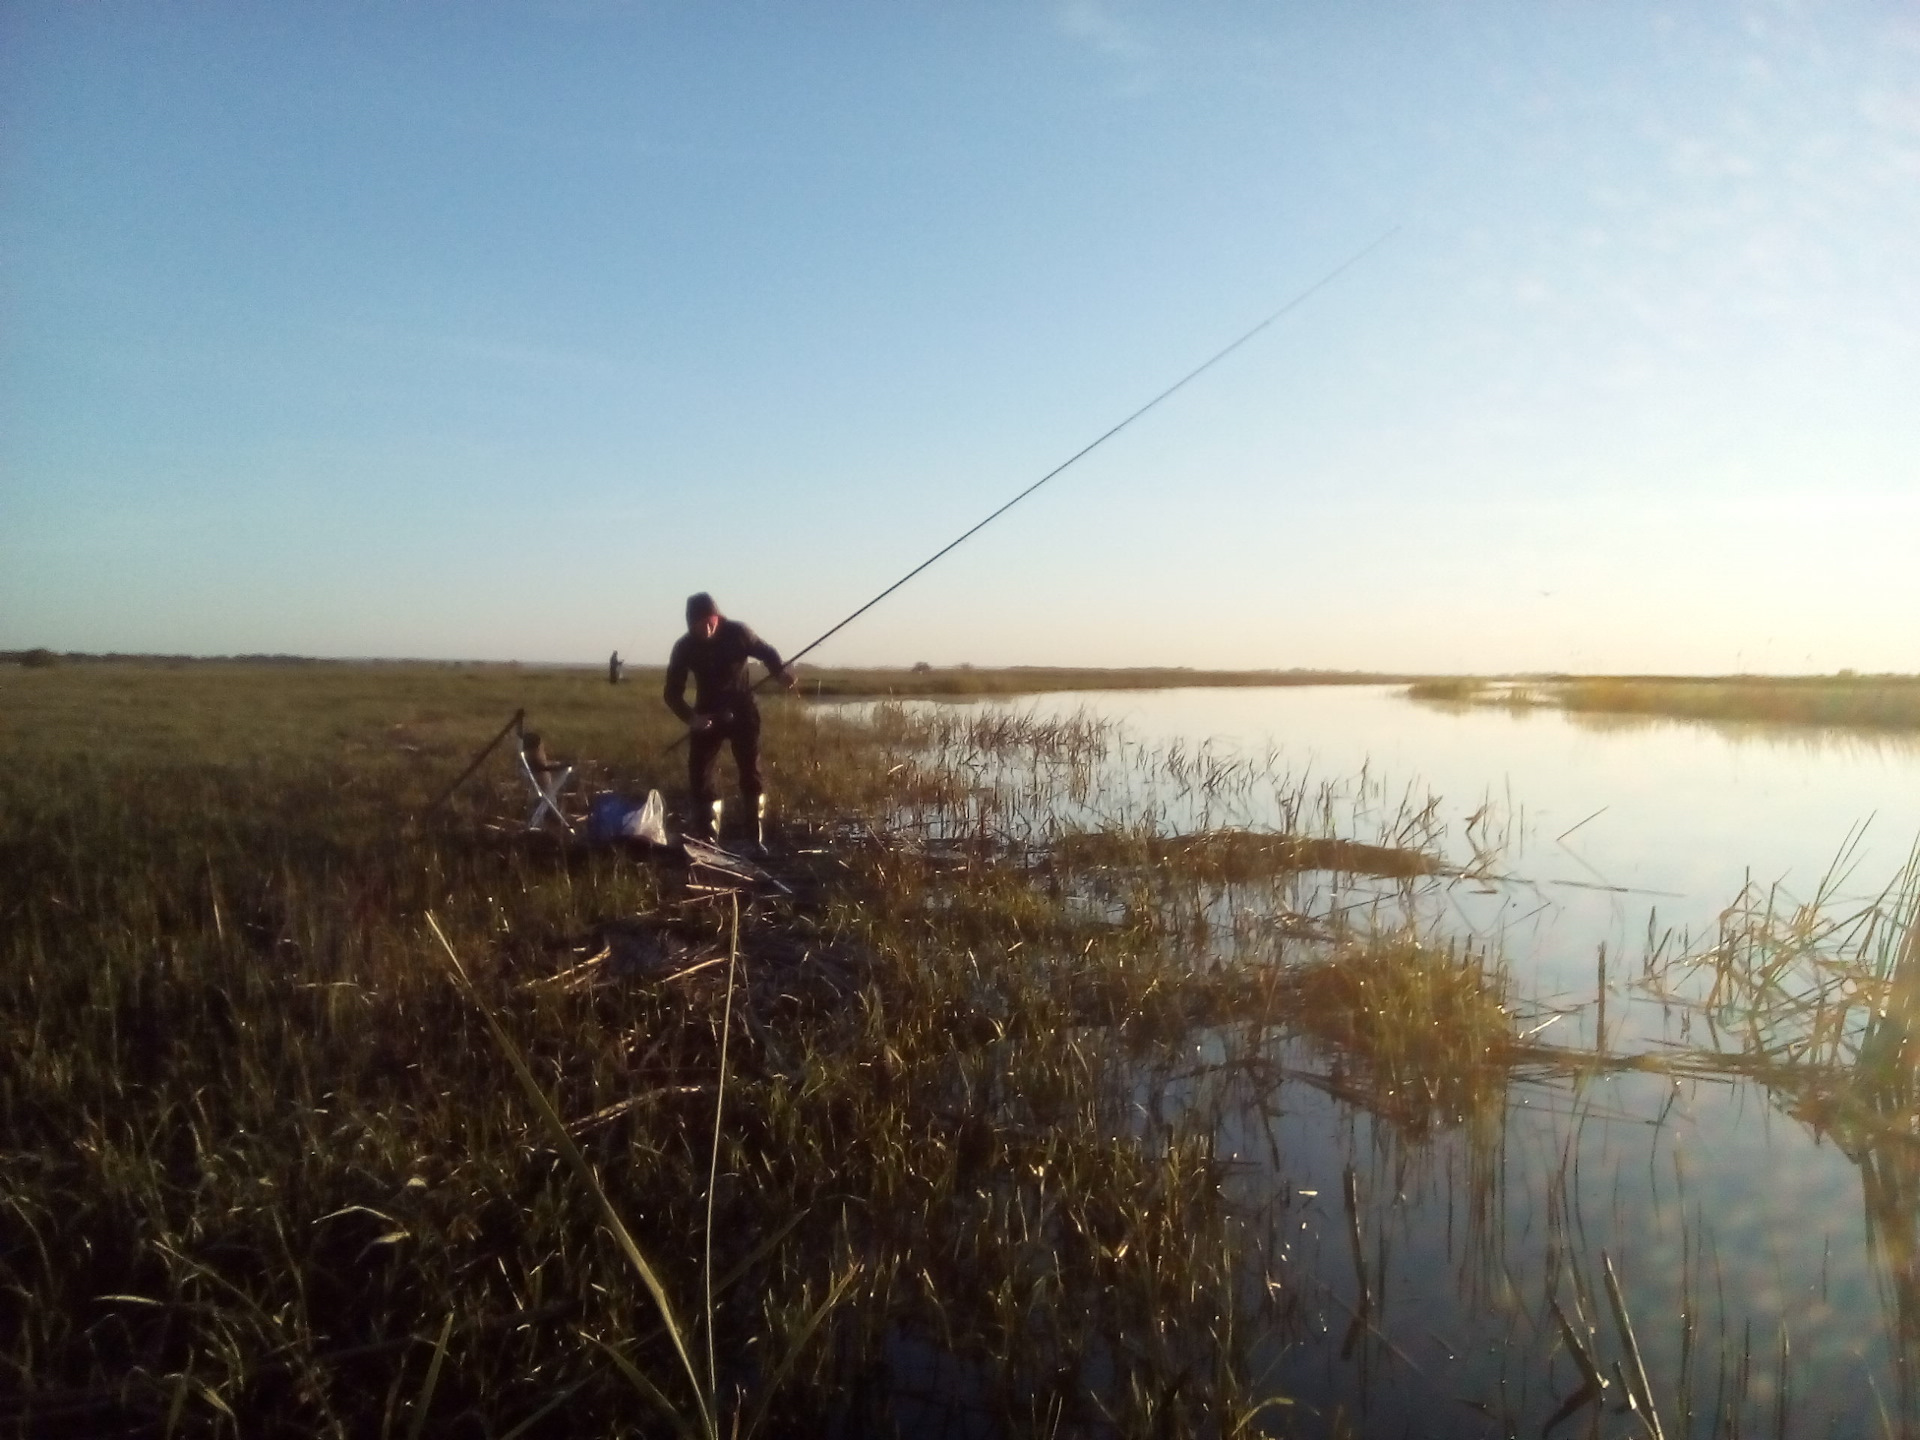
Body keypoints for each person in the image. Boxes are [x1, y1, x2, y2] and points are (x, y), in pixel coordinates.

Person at [663, 592, 797, 844]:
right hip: (707, 713)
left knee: (751, 771)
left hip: (743, 709)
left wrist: (780, 673)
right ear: (690, 625)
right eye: (699, 624)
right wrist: (691, 718)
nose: (707, 627)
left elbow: (767, 652)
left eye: (710, 620)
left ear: (717, 617)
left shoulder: (738, 632)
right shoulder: (684, 647)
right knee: (699, 774)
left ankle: (754, 838)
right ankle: (708, 836)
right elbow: (671, 693)